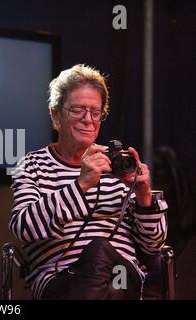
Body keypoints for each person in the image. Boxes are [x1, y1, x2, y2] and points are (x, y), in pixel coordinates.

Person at [9, 64, 168, 299]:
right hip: (61, 279)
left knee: (101, 253)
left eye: (96, 112)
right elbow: (23, 227)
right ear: (55, 115)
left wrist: (144, 197)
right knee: (98, 253)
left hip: (120, 277)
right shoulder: (31, 165)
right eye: (77, 110)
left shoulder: (117, 165)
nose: (88, 120)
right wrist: (80, 185)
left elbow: (152, 246)